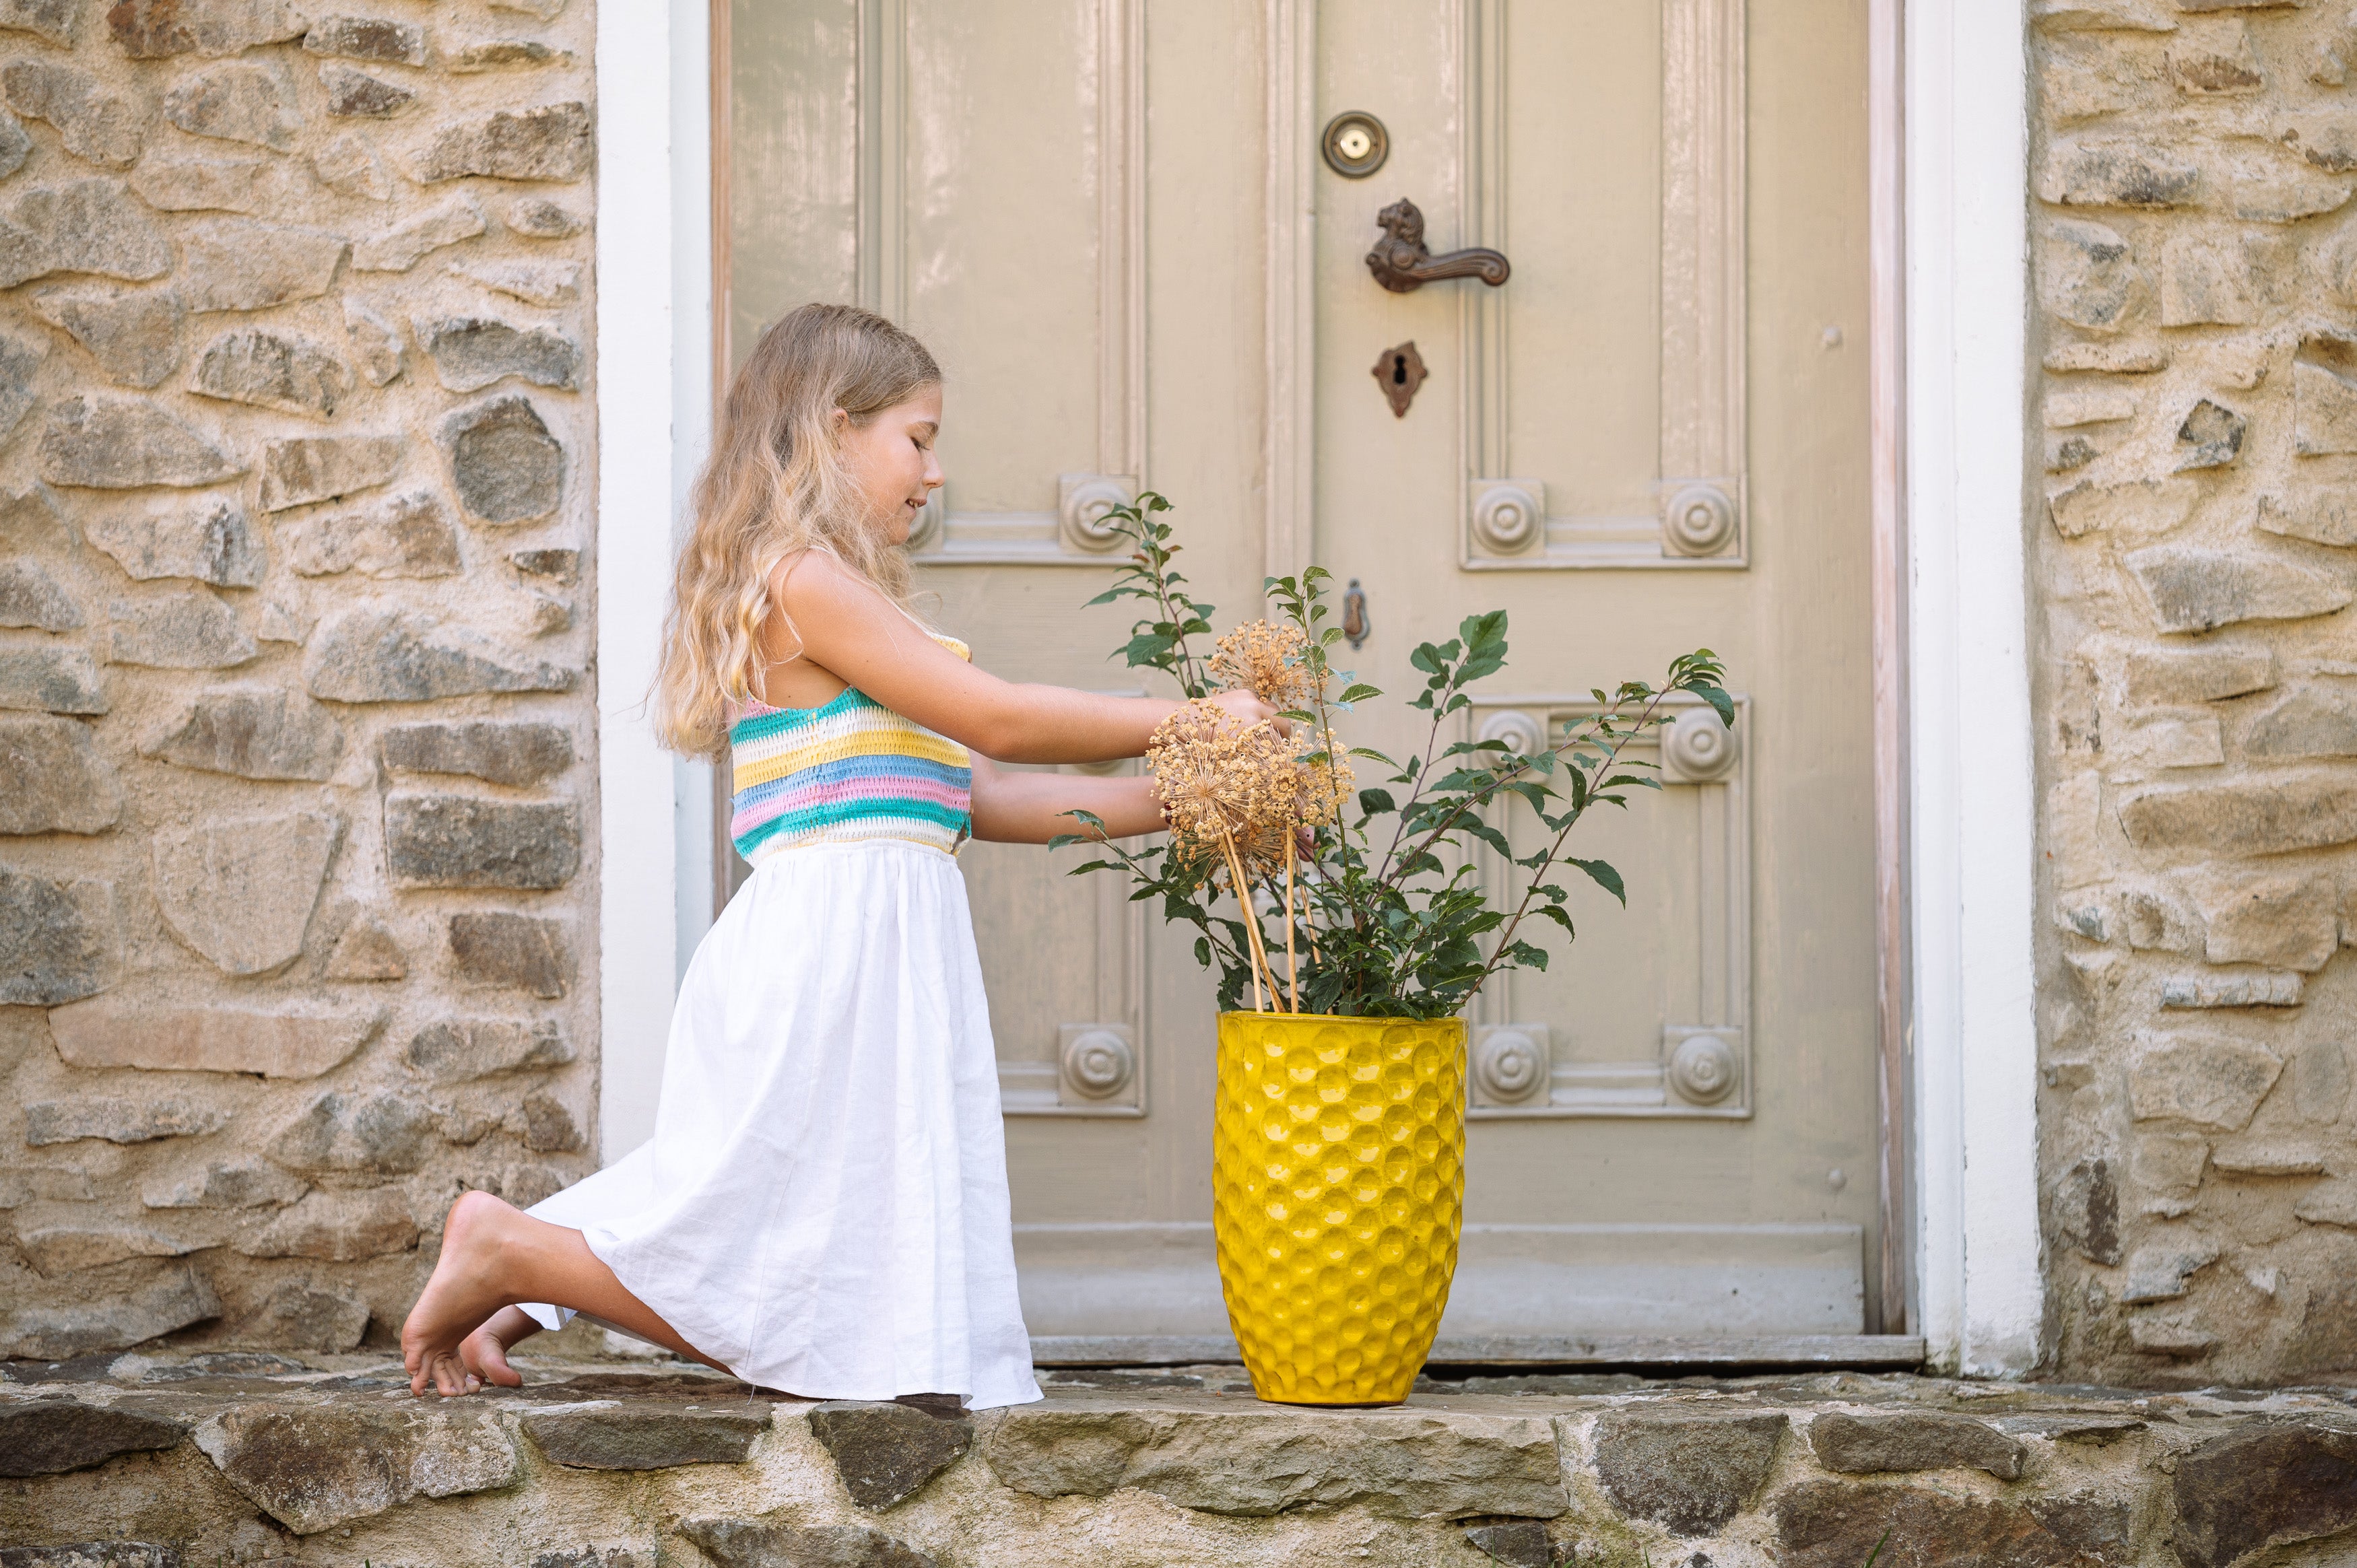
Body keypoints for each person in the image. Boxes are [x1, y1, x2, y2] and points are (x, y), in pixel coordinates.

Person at [397, 303, 1274, 1402]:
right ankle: (513, 1251)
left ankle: (514, 1284)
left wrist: (1201, 800)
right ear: (832, 428)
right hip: (828, 945)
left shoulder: (850, 597)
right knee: (792, 1272)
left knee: (791, 1236)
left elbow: (987, 792)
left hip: (879, 943)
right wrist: (1193, 718)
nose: (936, 470)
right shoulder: (798, 580)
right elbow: (999, 720)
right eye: (917, 436)